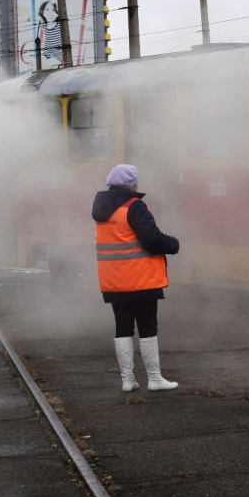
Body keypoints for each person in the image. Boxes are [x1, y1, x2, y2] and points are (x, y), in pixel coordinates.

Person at [92, 164, 180, 392]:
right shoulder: (134, 206)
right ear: (133, 184)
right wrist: (174, 244)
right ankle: (154, 378)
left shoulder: (102, 209)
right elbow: (152, 240)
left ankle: (127, 380)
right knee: (147, 327)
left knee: (123, 328)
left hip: (114, 281)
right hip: (141, 279)